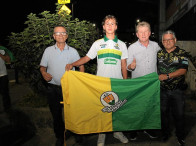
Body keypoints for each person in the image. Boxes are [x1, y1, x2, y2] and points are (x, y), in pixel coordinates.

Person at [65, 15, 129, 146]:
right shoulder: (98, 43)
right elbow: (87, 58)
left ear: (116, 26)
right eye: (107, 24)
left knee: (117, 109)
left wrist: (125, 82)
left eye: (112, 23)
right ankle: (102, 134)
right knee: (103, 109)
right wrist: (73, 64)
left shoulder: (122, 44)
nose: (110, 26)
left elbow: (124, 65)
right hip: (101, 83)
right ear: (104, 27)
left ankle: (117, 132)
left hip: (116, 82)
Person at [40, 25, 85, 146]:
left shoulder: (73, 51)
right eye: (58, 33)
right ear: (54, 36)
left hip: (70, 88)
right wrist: (43, 73)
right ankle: (60, 136)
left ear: (67, 36)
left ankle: (77, 134)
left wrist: (81, 80)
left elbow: (81, 65)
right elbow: (42, 66)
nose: (61, 35)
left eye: (63, 33)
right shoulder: (48, 51)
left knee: (73, 113)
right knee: (56, 114)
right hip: (52, 88)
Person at [127, 21, 161, 140]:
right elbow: (127, 66)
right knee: (136, 107)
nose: (143, 34)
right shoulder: (132, 47)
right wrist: (131, 66)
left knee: (150, 106)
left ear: (150, 33)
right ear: (137, 34)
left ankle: (148, 128)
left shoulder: (156, 46)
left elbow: (162, 59)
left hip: (152, 83)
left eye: (146, 31)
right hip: (138, 83)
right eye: (140, 32)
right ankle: (134, 130)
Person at [157, 30, 188, 146]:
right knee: (163, 114)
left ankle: (180, 136)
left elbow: (183, 70)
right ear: (162, 42)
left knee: (179, 115)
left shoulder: (182, 53)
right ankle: (165, 134)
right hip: (163, 91)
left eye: (170, 39)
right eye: (165, 40)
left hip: (177, 90)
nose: (167, 42)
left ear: (175, 40)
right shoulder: (159, 54)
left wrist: (167, 76)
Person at [0, 45, 12, 112]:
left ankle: (8, 109)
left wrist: (0, 54)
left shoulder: (2, 50)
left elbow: (8, 60)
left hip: (3, 75)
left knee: (5, 93)